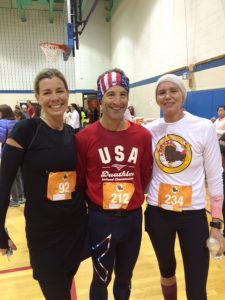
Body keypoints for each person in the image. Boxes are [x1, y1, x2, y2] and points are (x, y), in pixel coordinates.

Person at [0, 68, 88, 300]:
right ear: (37, 98)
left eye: (60, 90)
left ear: (68, 93)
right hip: (45, 234)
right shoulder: (26, 130)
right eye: (47, 92)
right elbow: (4, 181)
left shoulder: (71, 133)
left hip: (75, 228)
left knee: (67, 285)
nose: (55, 97)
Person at [144, 74, 225, 300]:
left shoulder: (202, 127)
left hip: (193, 215)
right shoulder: (149, 130)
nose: (168, 96)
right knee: (166, 271)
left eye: (173, 91)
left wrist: (216, 224)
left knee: (197, 284)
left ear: (182, 94)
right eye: (162, 92)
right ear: (157, 98)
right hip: (158, 214)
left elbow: (215, 176)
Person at [76, 68, 153, 300]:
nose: (117, 101)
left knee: (125, 278)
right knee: (101, 278)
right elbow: (80, 182)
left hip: (131, 220)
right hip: (101, 220)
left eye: (123, 94)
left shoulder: (142, 136)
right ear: (100, 98)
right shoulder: (84, 137)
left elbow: (144, 174)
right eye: (111, 94)